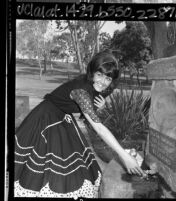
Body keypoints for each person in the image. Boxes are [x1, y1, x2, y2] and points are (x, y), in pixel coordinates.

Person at [14, 50, 144, 198]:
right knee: (47, 165)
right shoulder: (81, 91)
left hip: (62, 117)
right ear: (92, 72)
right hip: (45, 119)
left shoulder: (99, 88)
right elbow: (98, 128)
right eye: (99, 74)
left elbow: (87, 115)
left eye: (108, 78)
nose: (102, 81)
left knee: (71, 165)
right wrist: (124, 156)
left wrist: (98, 107)